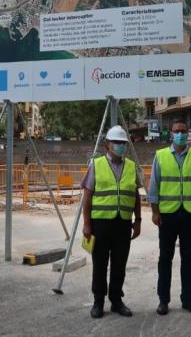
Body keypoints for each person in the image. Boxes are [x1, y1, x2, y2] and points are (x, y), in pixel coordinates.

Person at [149, 120, 191, 316]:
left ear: (188, 133)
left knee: (188, 259)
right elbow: (154, 186)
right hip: (167, 215)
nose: (180, 134)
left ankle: (187, 299)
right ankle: (163, 300)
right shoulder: (161, 155)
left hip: (190, 214)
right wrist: (155, 211)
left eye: (183, 131)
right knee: (165, 258)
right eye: (176, 131)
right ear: (171, 134)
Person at [81, 125, 142, 319]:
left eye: (123, 143)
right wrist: (87, 224)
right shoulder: (96, 164)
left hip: (123, 223)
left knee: (119, 264)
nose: (120, 145)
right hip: (100, 223)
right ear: (107, 144)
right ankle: (98, 301)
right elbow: (87, 196)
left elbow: (135, 195)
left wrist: (138, 220)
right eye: (116, 142)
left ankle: (116, 300)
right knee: (99, 264)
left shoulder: (131, 166)